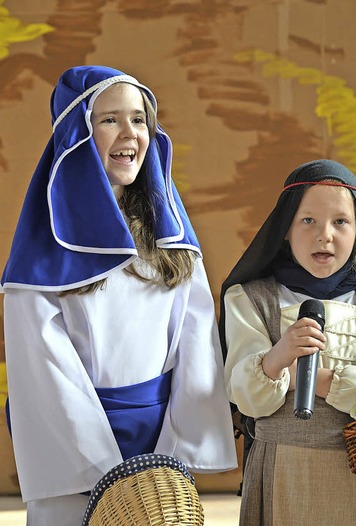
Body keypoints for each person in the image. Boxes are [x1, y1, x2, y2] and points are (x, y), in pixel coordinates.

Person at [1, 65, 237, 525]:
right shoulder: (44, 250)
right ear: (77, 135)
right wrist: (104, 469)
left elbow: (197, 340)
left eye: (139, 119)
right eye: (109, 119)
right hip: (77, 452)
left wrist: (174, 448)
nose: (129, 132)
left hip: (162, 440)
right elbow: (44, 368)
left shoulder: (169, 239)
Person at [220, 159, 356, 525]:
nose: (324, 235)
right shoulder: (250, 300)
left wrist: (306, 379)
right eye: (307, 220)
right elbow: (244, 395)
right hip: (282, 472)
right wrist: (281, 353)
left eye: (340, 222)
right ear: (285, 229)